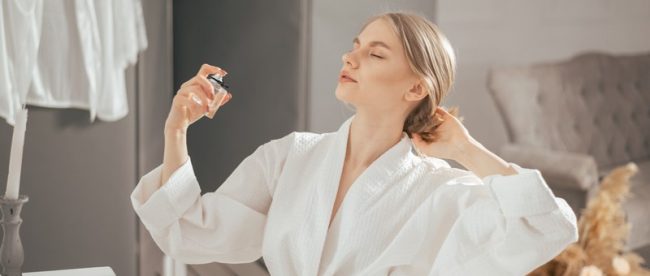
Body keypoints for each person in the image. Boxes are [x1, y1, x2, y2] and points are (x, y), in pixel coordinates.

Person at [131, 11, 578, 276]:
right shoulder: (291, 155)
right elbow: (188, 231)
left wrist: (467, 151)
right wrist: (176, 131)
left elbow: (546, 229)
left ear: (415, 88)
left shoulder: (440, 190)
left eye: (376, 54)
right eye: (356, 46)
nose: (350, 57)